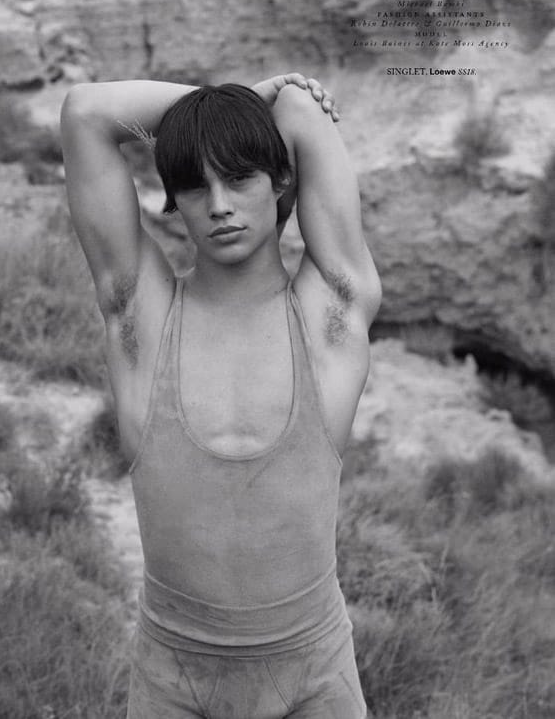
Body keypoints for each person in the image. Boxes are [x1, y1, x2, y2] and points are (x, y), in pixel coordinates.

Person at [60, 72, 381, 719]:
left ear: (281, 181)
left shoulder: (330, 317)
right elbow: (86, 112)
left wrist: (245, 110)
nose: (219, 205)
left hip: (313, 681)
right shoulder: (141, 317)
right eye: (194, 187)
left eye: (239, 178)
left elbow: (299, 108)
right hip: (174, 682)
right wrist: (228, 102)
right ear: (174, 203)